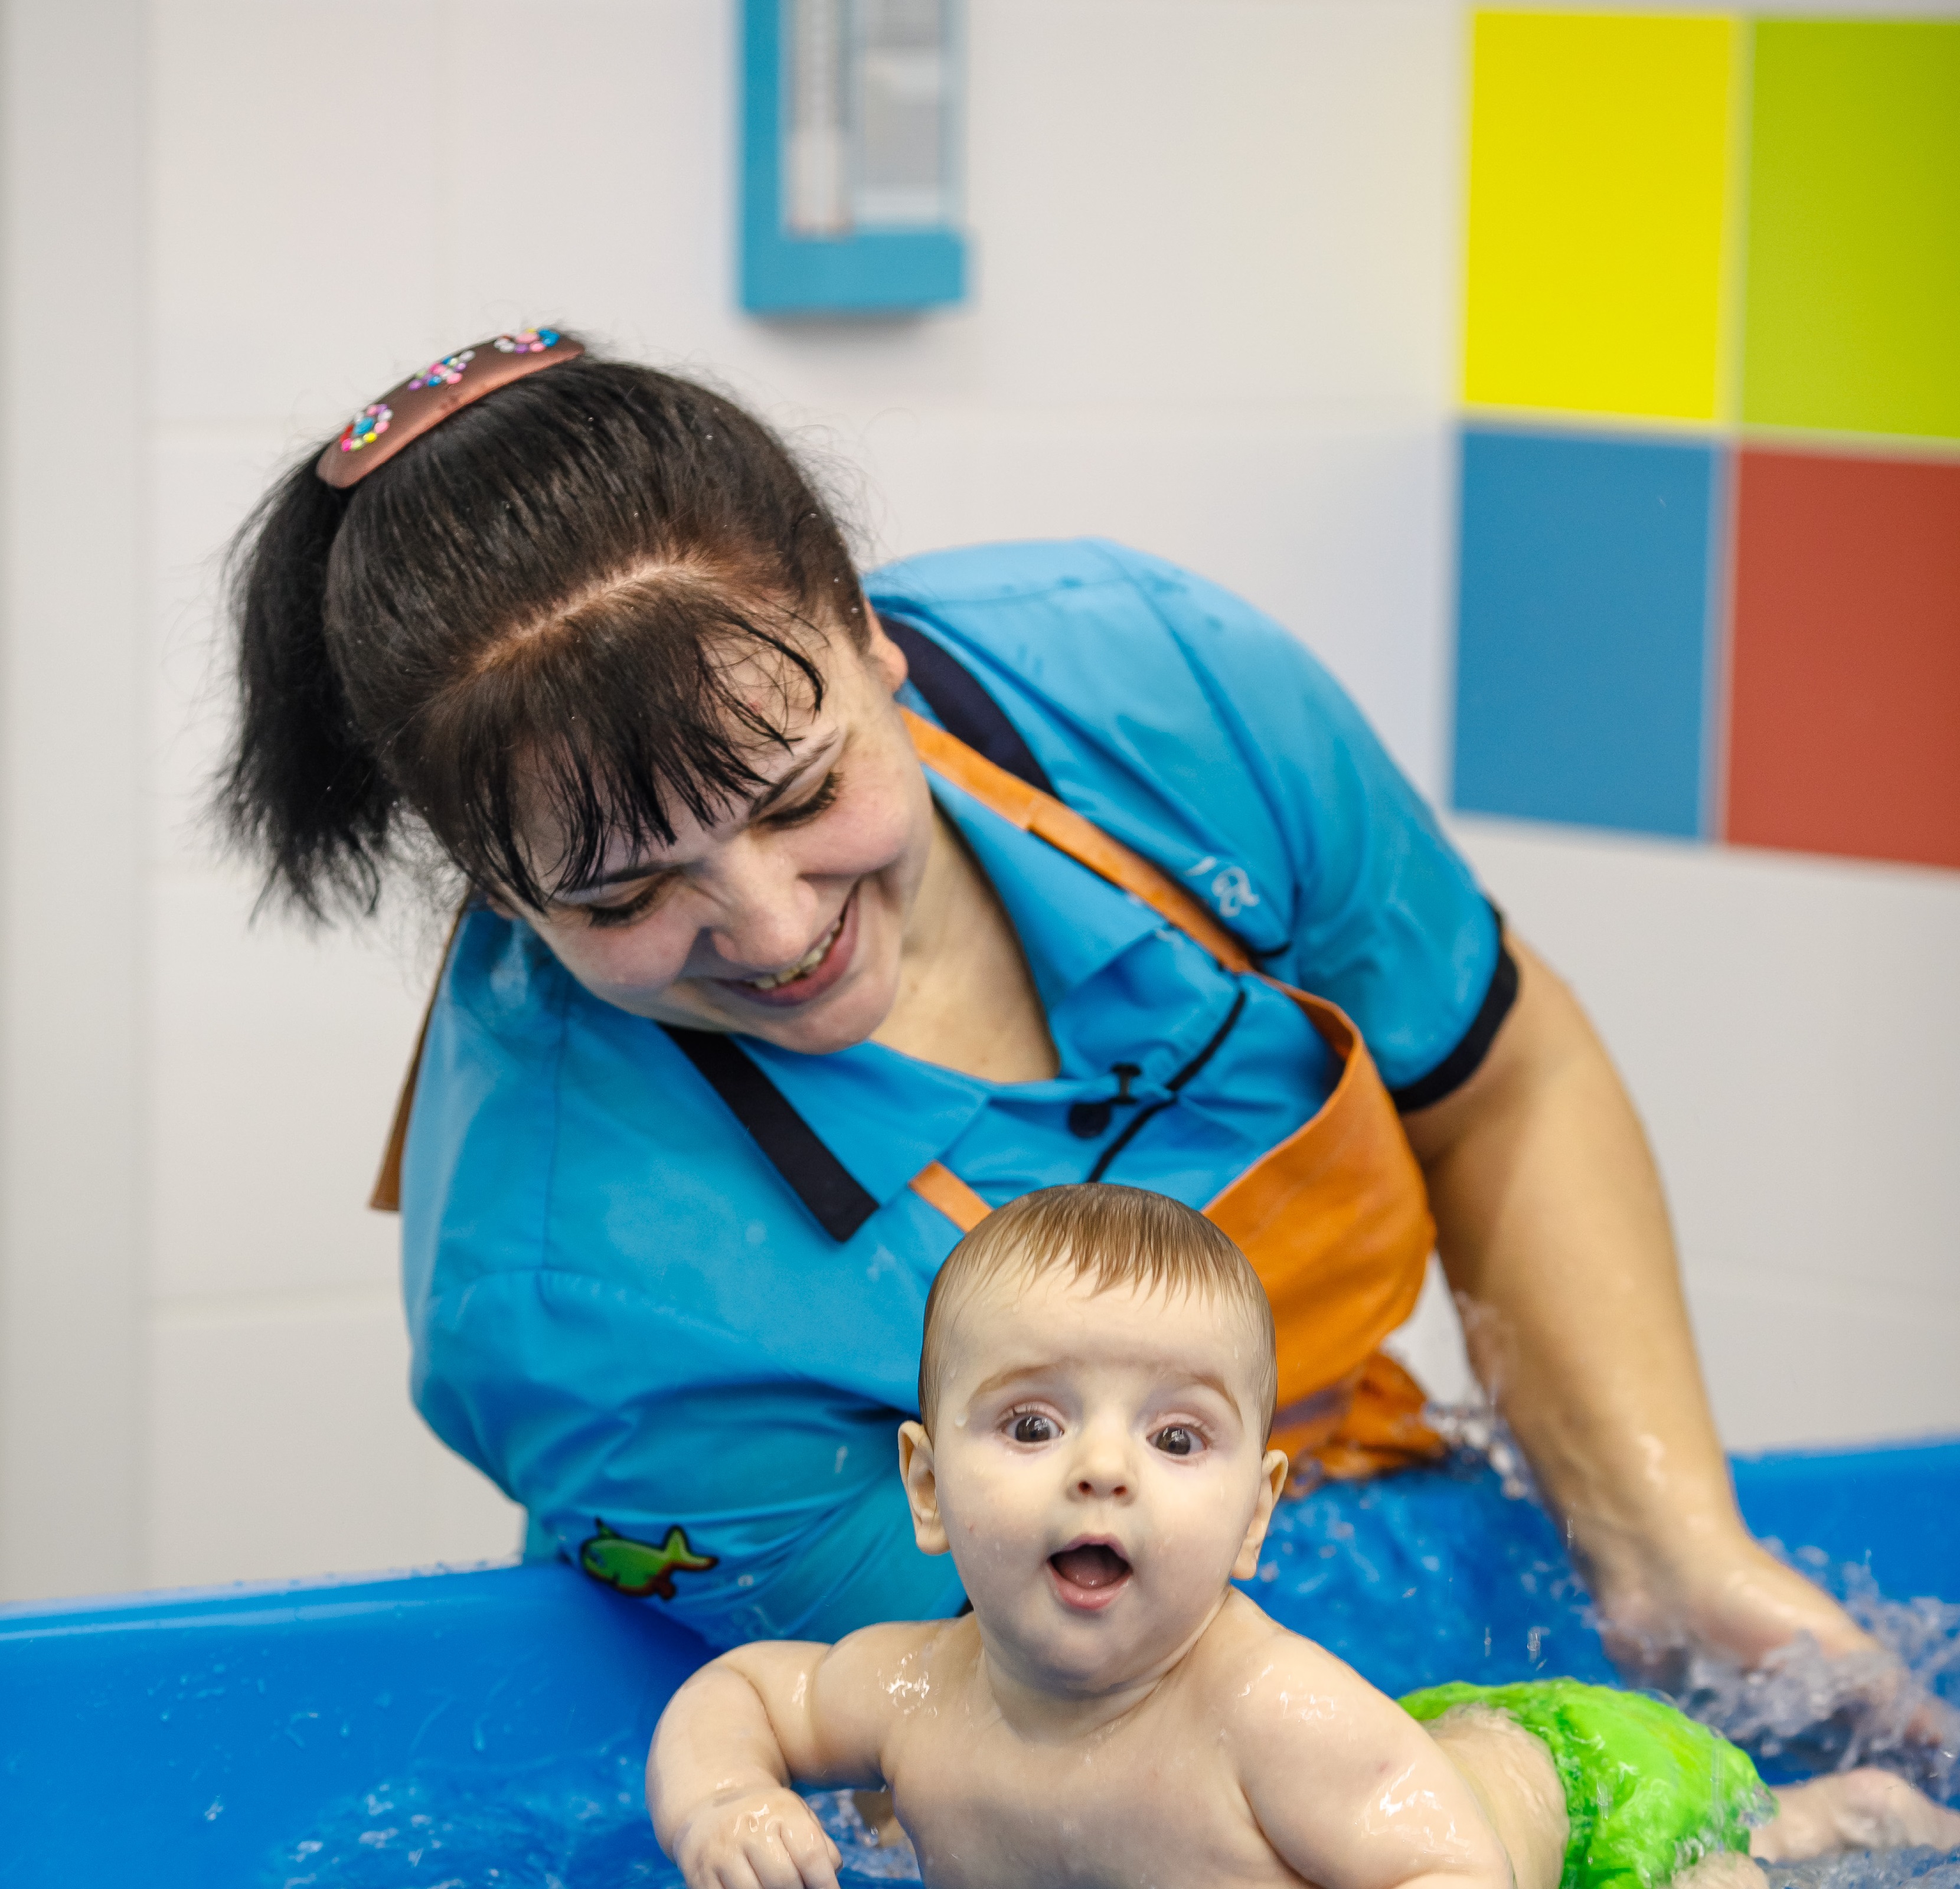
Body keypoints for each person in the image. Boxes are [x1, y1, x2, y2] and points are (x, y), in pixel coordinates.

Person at [219, 327, 1922, 1738]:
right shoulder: (574, 1301)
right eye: (621, 896)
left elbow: (1501, 1084)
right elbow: (1050, 1751)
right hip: (1000, 1723)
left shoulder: (1148, 689)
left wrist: (1673, 1563)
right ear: (502, 898)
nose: (774, 924)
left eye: (805, 793)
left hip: (1334, 1513)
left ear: (871, 642)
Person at [646, 1190, 1959, 1889]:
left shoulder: (1268, 1712)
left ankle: (1837, 1812)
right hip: (1417, 1757)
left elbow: (1459, 1882)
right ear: (928, 1486)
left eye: (1175, 1440)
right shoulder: (911, 1686)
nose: (1103, 1467)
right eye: (1035, 1421)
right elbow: (745, 1690)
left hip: (1583, 1807)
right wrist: (723, 1799)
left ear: (1256, 1514)